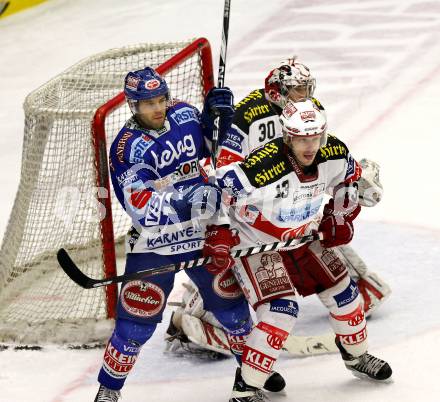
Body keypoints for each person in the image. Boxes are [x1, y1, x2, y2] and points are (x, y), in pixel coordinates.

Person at [164, 57, 390, 360]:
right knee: (236, 260)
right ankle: (196, 316)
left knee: (322, 232)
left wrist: (348, 184)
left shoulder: (309, 111)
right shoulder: (246, 116)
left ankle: (355, 287)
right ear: (276, 93)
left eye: (306, 89)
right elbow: (224, 174)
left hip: (291, 201)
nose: (304, 96)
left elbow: (323, 156)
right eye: (296, 90)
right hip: (253, 204)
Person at [203, 99, 392, 402]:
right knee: (280, 311)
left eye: (315, 138)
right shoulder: (263, 166)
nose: (309, 146)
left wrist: (339, 215)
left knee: (346, 295)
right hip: (255, 241)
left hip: (301, 234)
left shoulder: (334, 152)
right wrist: (219, 232)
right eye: (302, 139)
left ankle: (356, 358)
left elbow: (351, 182)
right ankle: (246, 388)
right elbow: (215, 191)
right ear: (288, 137)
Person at [93, 67, 255, 402]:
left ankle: (253, 377)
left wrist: (218, 120)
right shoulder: (127, 148)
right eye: (147, 102)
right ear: (132, 106)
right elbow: (139, 206)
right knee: (135, 323)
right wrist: (187, 200)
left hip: (203, 233)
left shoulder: (183, 113)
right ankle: (108, 390)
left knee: (233, 311)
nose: (156, 107)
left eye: (160, 99)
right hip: (157, 241)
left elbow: (212, 150)